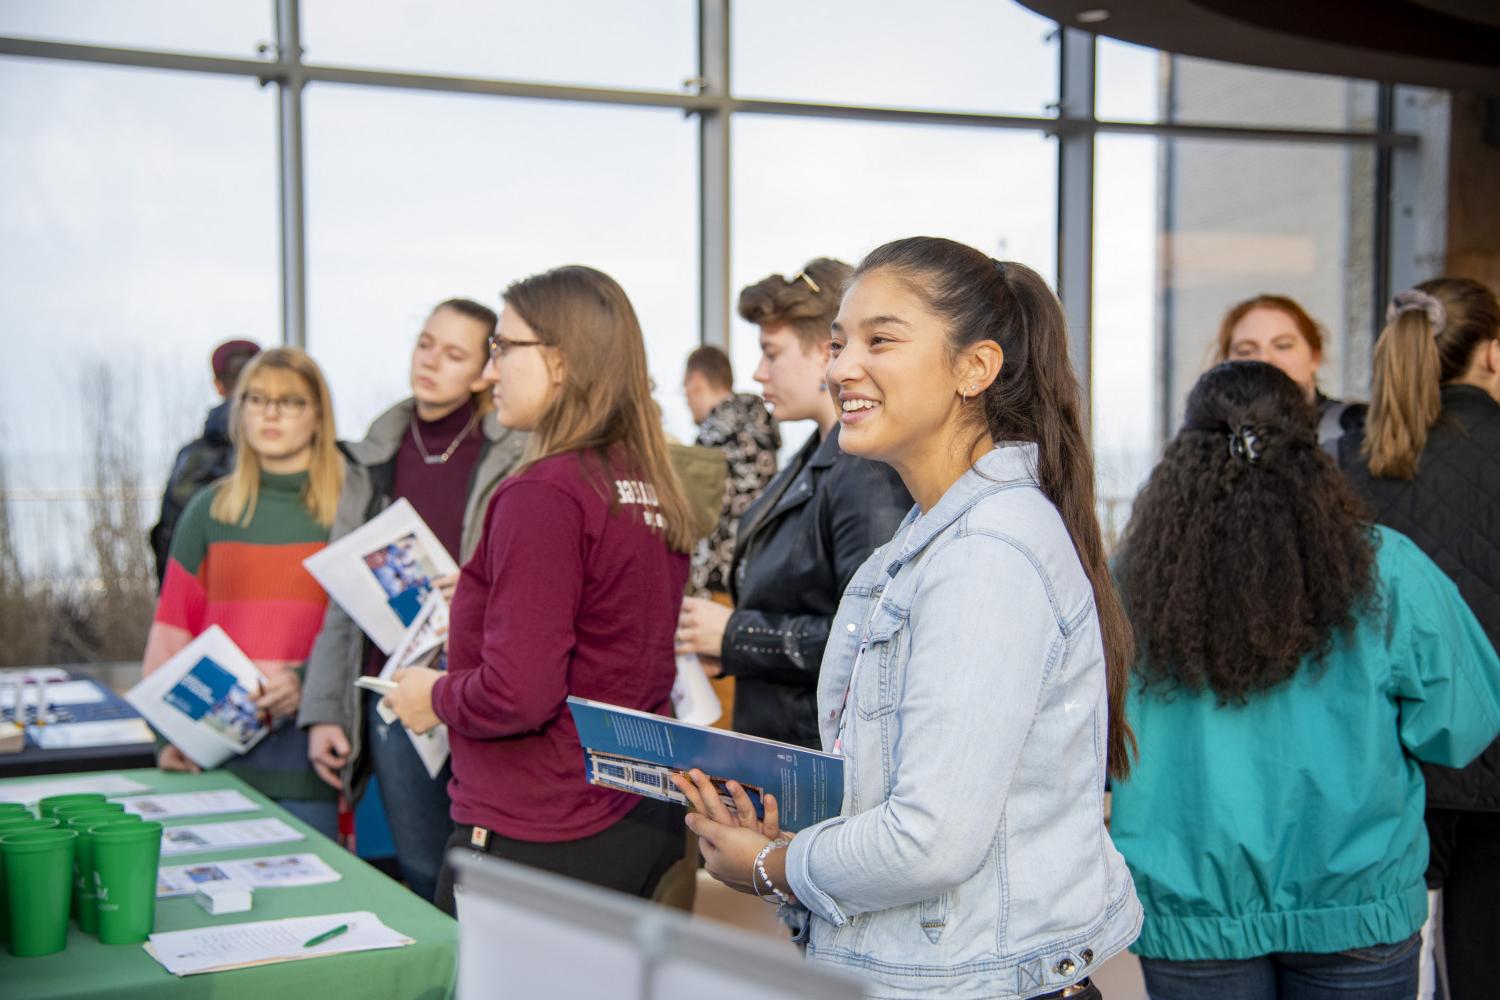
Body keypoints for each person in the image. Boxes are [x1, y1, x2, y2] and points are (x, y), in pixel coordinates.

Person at [678, 237, 1142, 1000]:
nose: (840, 367)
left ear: (975, 368)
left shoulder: (986, 552)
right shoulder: (935, 536)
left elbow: (931, 841)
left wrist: (770, 866)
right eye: (837, 343)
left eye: (880, 340)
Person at [1109, 360, 1500, 1000]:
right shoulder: (1387, 569)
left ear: (1181, 454)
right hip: (1356, 903)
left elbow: (1088, 746)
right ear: (1310, 449)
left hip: (1191, 911)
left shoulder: (1126, 585)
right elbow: (1459, 731)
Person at [383, 266, 694, 915]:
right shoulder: (642, 483)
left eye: (502, 348)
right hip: (632, 817)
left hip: (540, 825)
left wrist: (432, 696)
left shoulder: (544, 493)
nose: (490, 372)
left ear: (559, 360)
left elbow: (518, 693)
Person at [298, 298, 525, 902]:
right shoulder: (375, 454)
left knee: (488, 875)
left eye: (453, 354)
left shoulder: (512, 451)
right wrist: (325, 709)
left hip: (482, 685)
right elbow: (343, 595)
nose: (430, 362)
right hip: (394, 691)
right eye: (426, 343)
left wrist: (481, 587)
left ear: (485, 371)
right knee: (421, 867)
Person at [1339, 279, 1500, 1000]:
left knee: (1376, 968)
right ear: (1492, 356)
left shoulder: (1350, 461)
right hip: (1492, 758)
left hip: (1384, 762)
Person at [675, 258, 910, 749]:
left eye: (771, 353)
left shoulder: (865, 475)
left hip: (818, 765)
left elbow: (874, 639)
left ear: (826, 351)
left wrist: (737, 636)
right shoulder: (811, 463)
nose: (759, 373)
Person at [144, 346, 345, 838]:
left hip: (309, 751)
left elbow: (361, 634)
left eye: (290, 402)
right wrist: (164, 734)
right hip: (213, 748)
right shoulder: (210, 510)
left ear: (318, 415)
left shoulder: (346, 510)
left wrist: (306, 682)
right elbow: (172, 631)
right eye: (256, 399)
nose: (270, 413)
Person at [149, 338, 261, 587]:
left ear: (219, 386)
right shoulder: (289, 454)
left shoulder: (191, 458)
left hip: (205, 604)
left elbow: (170, 542)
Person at [682, 344, 779, 597]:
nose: (686, 400)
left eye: (685, 389)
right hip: (755, 573)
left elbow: (694, 514)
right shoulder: (759, 426)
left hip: (716, 580)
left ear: (696, 381)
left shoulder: (714, 436)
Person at [1216, 294, 1364, 455]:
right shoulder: (1211, 441)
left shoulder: (1356, 428)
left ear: (1315, 356)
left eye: (1283, 346)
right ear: (1225, 364)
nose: (1265, 359)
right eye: (1246, 351)